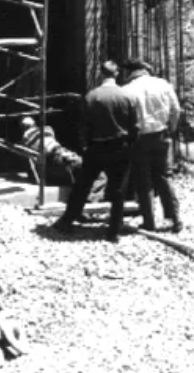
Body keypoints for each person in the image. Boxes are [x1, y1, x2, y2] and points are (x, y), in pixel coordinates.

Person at [52, 61, 138, 240]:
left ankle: (67, 221)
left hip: (96, 147)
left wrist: (85, 145)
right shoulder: (126, 96)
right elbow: (134, 125)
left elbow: (82, 125)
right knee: (118, 190)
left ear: (101, 74)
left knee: (82, 185)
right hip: (120, 147)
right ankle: (114, 231)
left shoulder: (92, 96)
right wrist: (130, 144)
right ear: (116, 74)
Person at [122, 57, 183, 233]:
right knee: (163, 177)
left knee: (144, 180)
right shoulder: (163, 84)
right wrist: (170, 129)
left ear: (130, 72)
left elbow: (125, 118)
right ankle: (175, 219)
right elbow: (176, 110)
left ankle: (149, 221)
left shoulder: (127, 90)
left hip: (140, 139)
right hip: (161, 135)